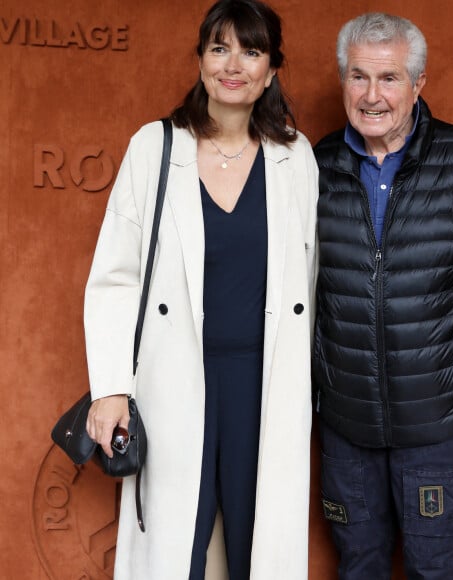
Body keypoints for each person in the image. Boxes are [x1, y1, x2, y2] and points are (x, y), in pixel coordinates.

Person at [84, 1, 318, 578]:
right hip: (172, 376)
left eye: (251, 50)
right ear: (200, 60)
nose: (233, 64)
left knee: (256, 547)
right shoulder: (155, 147)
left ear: (271, 69)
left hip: (264, 382)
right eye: (219, 47)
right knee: (175, 547)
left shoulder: (295, 156)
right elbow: (115, 276)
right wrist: (110, 388)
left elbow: (308, 283)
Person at [313, 12, 453, 580]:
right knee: (357, 567)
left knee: (435, 570)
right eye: (358, 77)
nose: (371, 96)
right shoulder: (311, 167)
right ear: (343, 81)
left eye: (388, 78)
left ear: (418, 84)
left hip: (440, 425)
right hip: (346, 423)